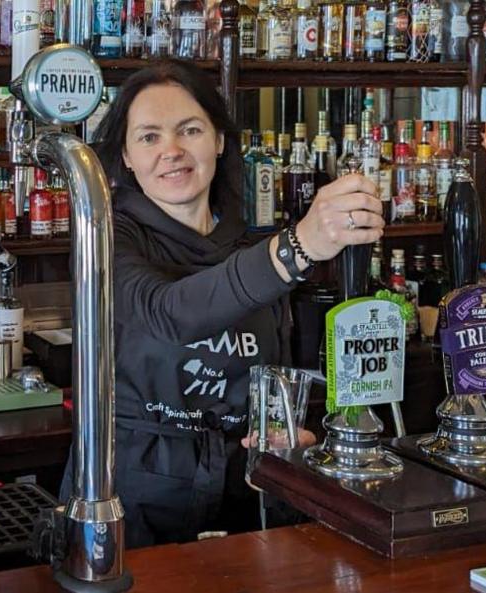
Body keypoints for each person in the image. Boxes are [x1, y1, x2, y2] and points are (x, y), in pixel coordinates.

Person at [61, 60, 384, 548]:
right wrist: (298, 246)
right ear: (125, 155)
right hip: (132, 494)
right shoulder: (105, 237)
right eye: (148, 137)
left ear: (218, 140)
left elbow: (282, 374)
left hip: (245, 490)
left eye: (189, 130)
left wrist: (293, 437)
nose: (171, 151)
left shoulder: (250, 245)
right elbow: (168, 312)